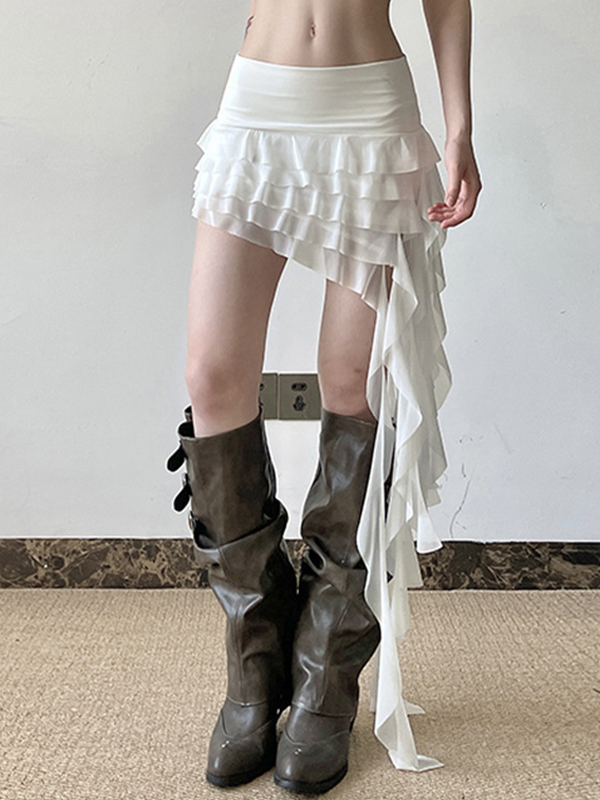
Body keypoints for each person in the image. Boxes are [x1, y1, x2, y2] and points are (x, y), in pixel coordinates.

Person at [166, 0, 482, 794]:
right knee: (213, 376)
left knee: (354, 381)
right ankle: (255, 661)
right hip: (259, 104)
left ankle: (326, 669)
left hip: (369, 108)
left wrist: (459, 126)